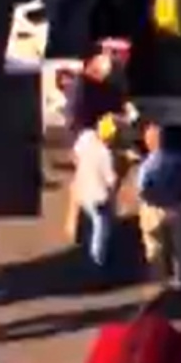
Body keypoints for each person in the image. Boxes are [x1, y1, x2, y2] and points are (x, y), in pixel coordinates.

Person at [133, 123, 181, 288]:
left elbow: (140, 189)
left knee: (154, 247)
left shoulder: (146, 166)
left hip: (154, 209)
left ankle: (159, 281)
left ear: (149, 142)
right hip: (176, 206)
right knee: (180, 245)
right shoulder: (179, 161)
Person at [68, 113, 121, 270]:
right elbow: (112, 180)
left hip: (83, 190)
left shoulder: (86, 137)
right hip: (99, 196)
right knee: (101, 226)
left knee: (88, 218)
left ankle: (81, 242)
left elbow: (74, 155)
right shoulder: (106, 154)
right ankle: (97, 259)